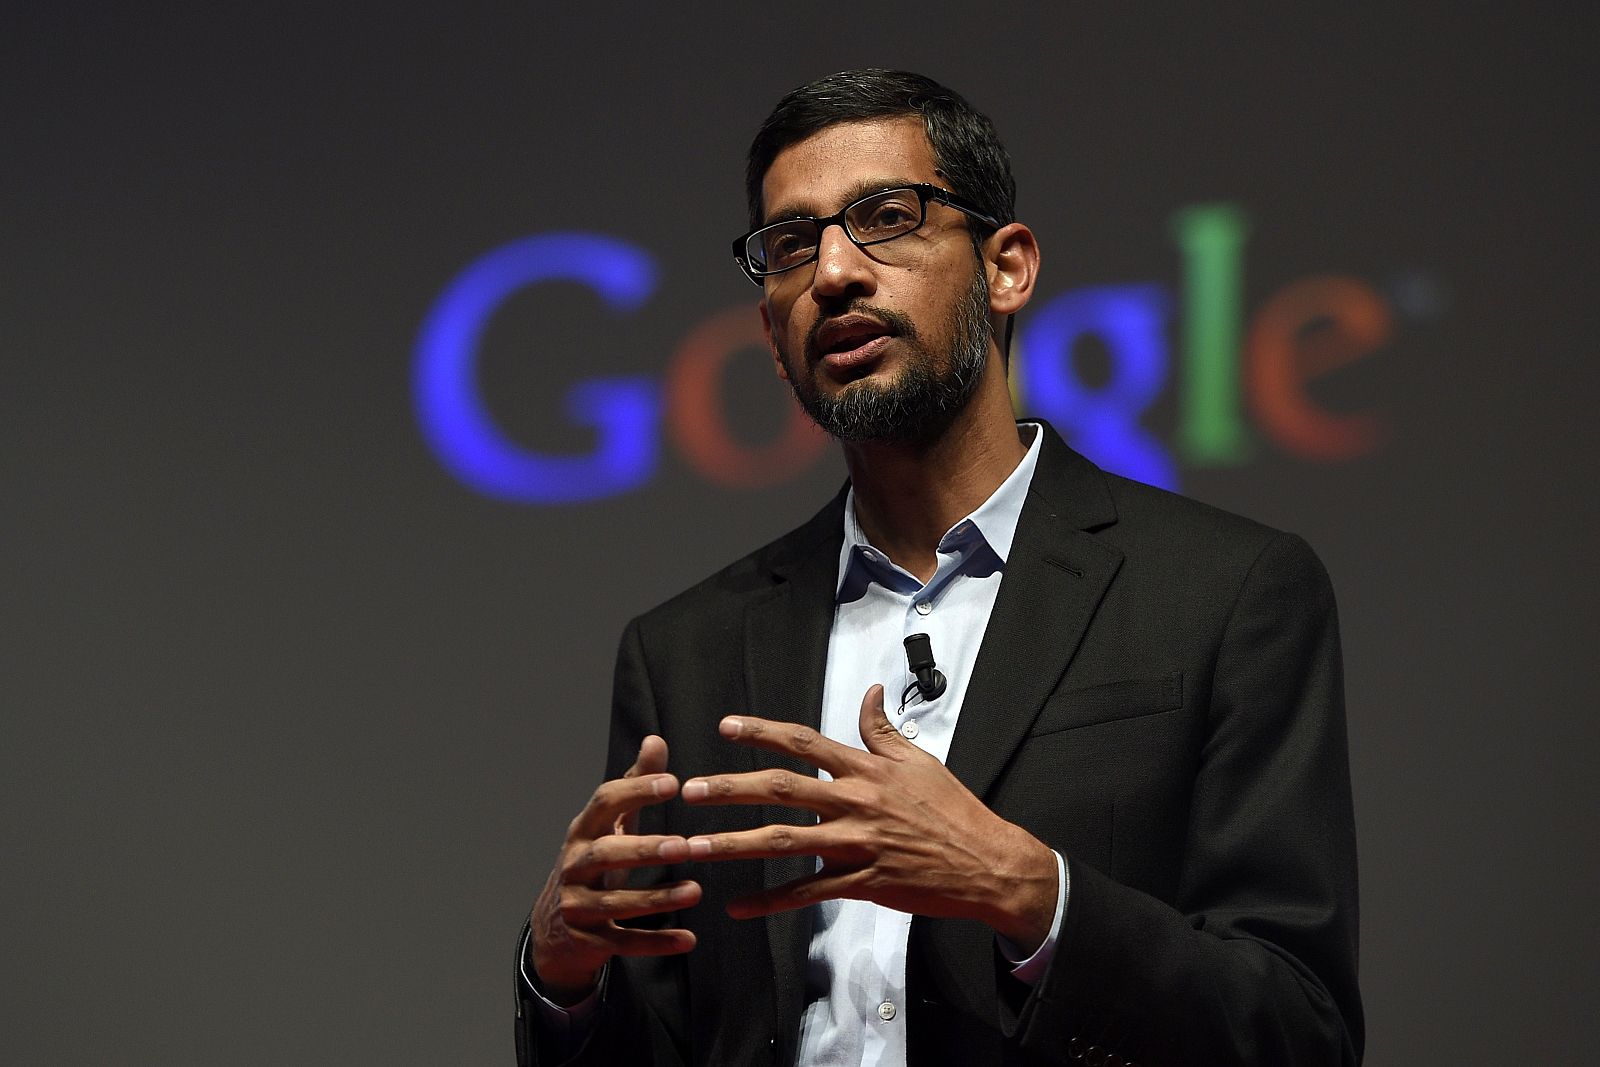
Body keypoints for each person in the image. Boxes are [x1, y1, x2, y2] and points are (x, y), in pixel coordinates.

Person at [514, 69, 1363, 1067]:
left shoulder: (1227, 592)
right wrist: (562, 972)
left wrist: (1028, 891)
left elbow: (1299, 1030)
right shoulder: (683, 650)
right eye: (792, 244)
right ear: (770, 335)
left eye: (886, 216)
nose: (833, 271)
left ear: (1006, 267)